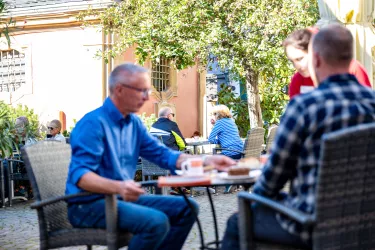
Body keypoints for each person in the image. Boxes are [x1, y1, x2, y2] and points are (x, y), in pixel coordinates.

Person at [221, 24, 375, 250]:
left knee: (238, 221)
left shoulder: (304, 107)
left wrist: (259, 196)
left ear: (316, 59)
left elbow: (271, 182)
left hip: (310, 225)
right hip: (367, 227)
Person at [65, 63, 235, 250]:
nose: (147, 97)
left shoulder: (134, 124)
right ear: (120, 90)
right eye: (141, 91)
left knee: (187, 208)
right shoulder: (92, 124)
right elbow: (81, 176)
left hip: (119, 199)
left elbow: (164, 155)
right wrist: (120, 186)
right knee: (156, 222)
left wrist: (205, 160)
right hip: (88, 205)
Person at [282, 27, 372, 99]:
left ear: (314, 52)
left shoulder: (352, 68)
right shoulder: (298, 79)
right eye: (292, 61)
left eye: (300, 59)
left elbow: (366, 99)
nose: (296, 66)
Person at [208, 105, 244, 193]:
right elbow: (228, 136)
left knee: (211, 160)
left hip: (230, 152)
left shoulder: (219, 123)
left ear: (218, 114)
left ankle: (227, 182)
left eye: (214, 114)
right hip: (239, 151)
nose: (213, 116)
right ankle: (231, 181)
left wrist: (218, 139)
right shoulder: (231, 121)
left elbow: (210, 139)